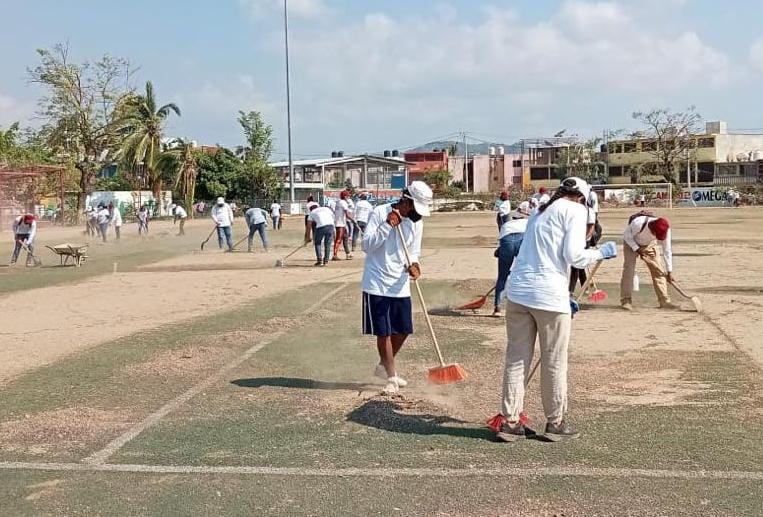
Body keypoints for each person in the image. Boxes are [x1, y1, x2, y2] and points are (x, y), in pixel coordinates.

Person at [494, 177, 618, 443]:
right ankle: (555, 422)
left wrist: (565, 296)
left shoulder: (540, 210)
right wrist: (600, 253)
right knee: (554, 359)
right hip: (549, 296)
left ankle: (510, 422)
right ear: (583, 198)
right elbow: (574, 256)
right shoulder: (576, 210)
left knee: (517, 358)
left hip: (518, 293)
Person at [361, 181, 433, 394]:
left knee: (402, 330)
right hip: (377, 283)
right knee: (383, 331)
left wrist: (416, 265)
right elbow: (366, 246)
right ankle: (391, 376)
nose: (418, 215)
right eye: (415, 208)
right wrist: (387, 225)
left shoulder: (416, 222)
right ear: (406, 200)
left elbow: (414, 251)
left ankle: (383, 366)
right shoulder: (379, 212)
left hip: (399, 284)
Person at [620, 213, 677, 311]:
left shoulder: (666, 229)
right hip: (631, 243)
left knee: (658, 271)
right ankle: (626, 300)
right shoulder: (638, 223)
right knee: (629, 271)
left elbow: (667, 250)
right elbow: (627, 236)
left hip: (650, 244)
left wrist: (669, 271)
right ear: (652, 229)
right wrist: (637, 249)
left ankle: (664, 300)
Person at [492, 201, 530, 317]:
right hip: (522, 239)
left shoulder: (506, 225)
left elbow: (500, 249)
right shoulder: (528, 222)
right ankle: (525, 305)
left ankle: (497, 308)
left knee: (502, 277)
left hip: (506, 241)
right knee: (525, 273)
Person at [569, 189, 602, 294]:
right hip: (574, 239)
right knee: (579, 265)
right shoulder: (573, 211)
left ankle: (571, 290)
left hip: (584, 241)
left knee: (576, 265)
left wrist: (584, 239)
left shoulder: (589, 211)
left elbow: (591, 228)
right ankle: (585, 286)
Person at [332, 191, 355, 260]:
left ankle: (348, 254)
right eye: (348, 196)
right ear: (345, 196)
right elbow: (347, 214)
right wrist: (353, 220)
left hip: (341, 223)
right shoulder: (343, 203)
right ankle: (334, 255)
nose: (349, 197)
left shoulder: (338, 202)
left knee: (345, 238)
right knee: (338, 239)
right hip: (340, 224)